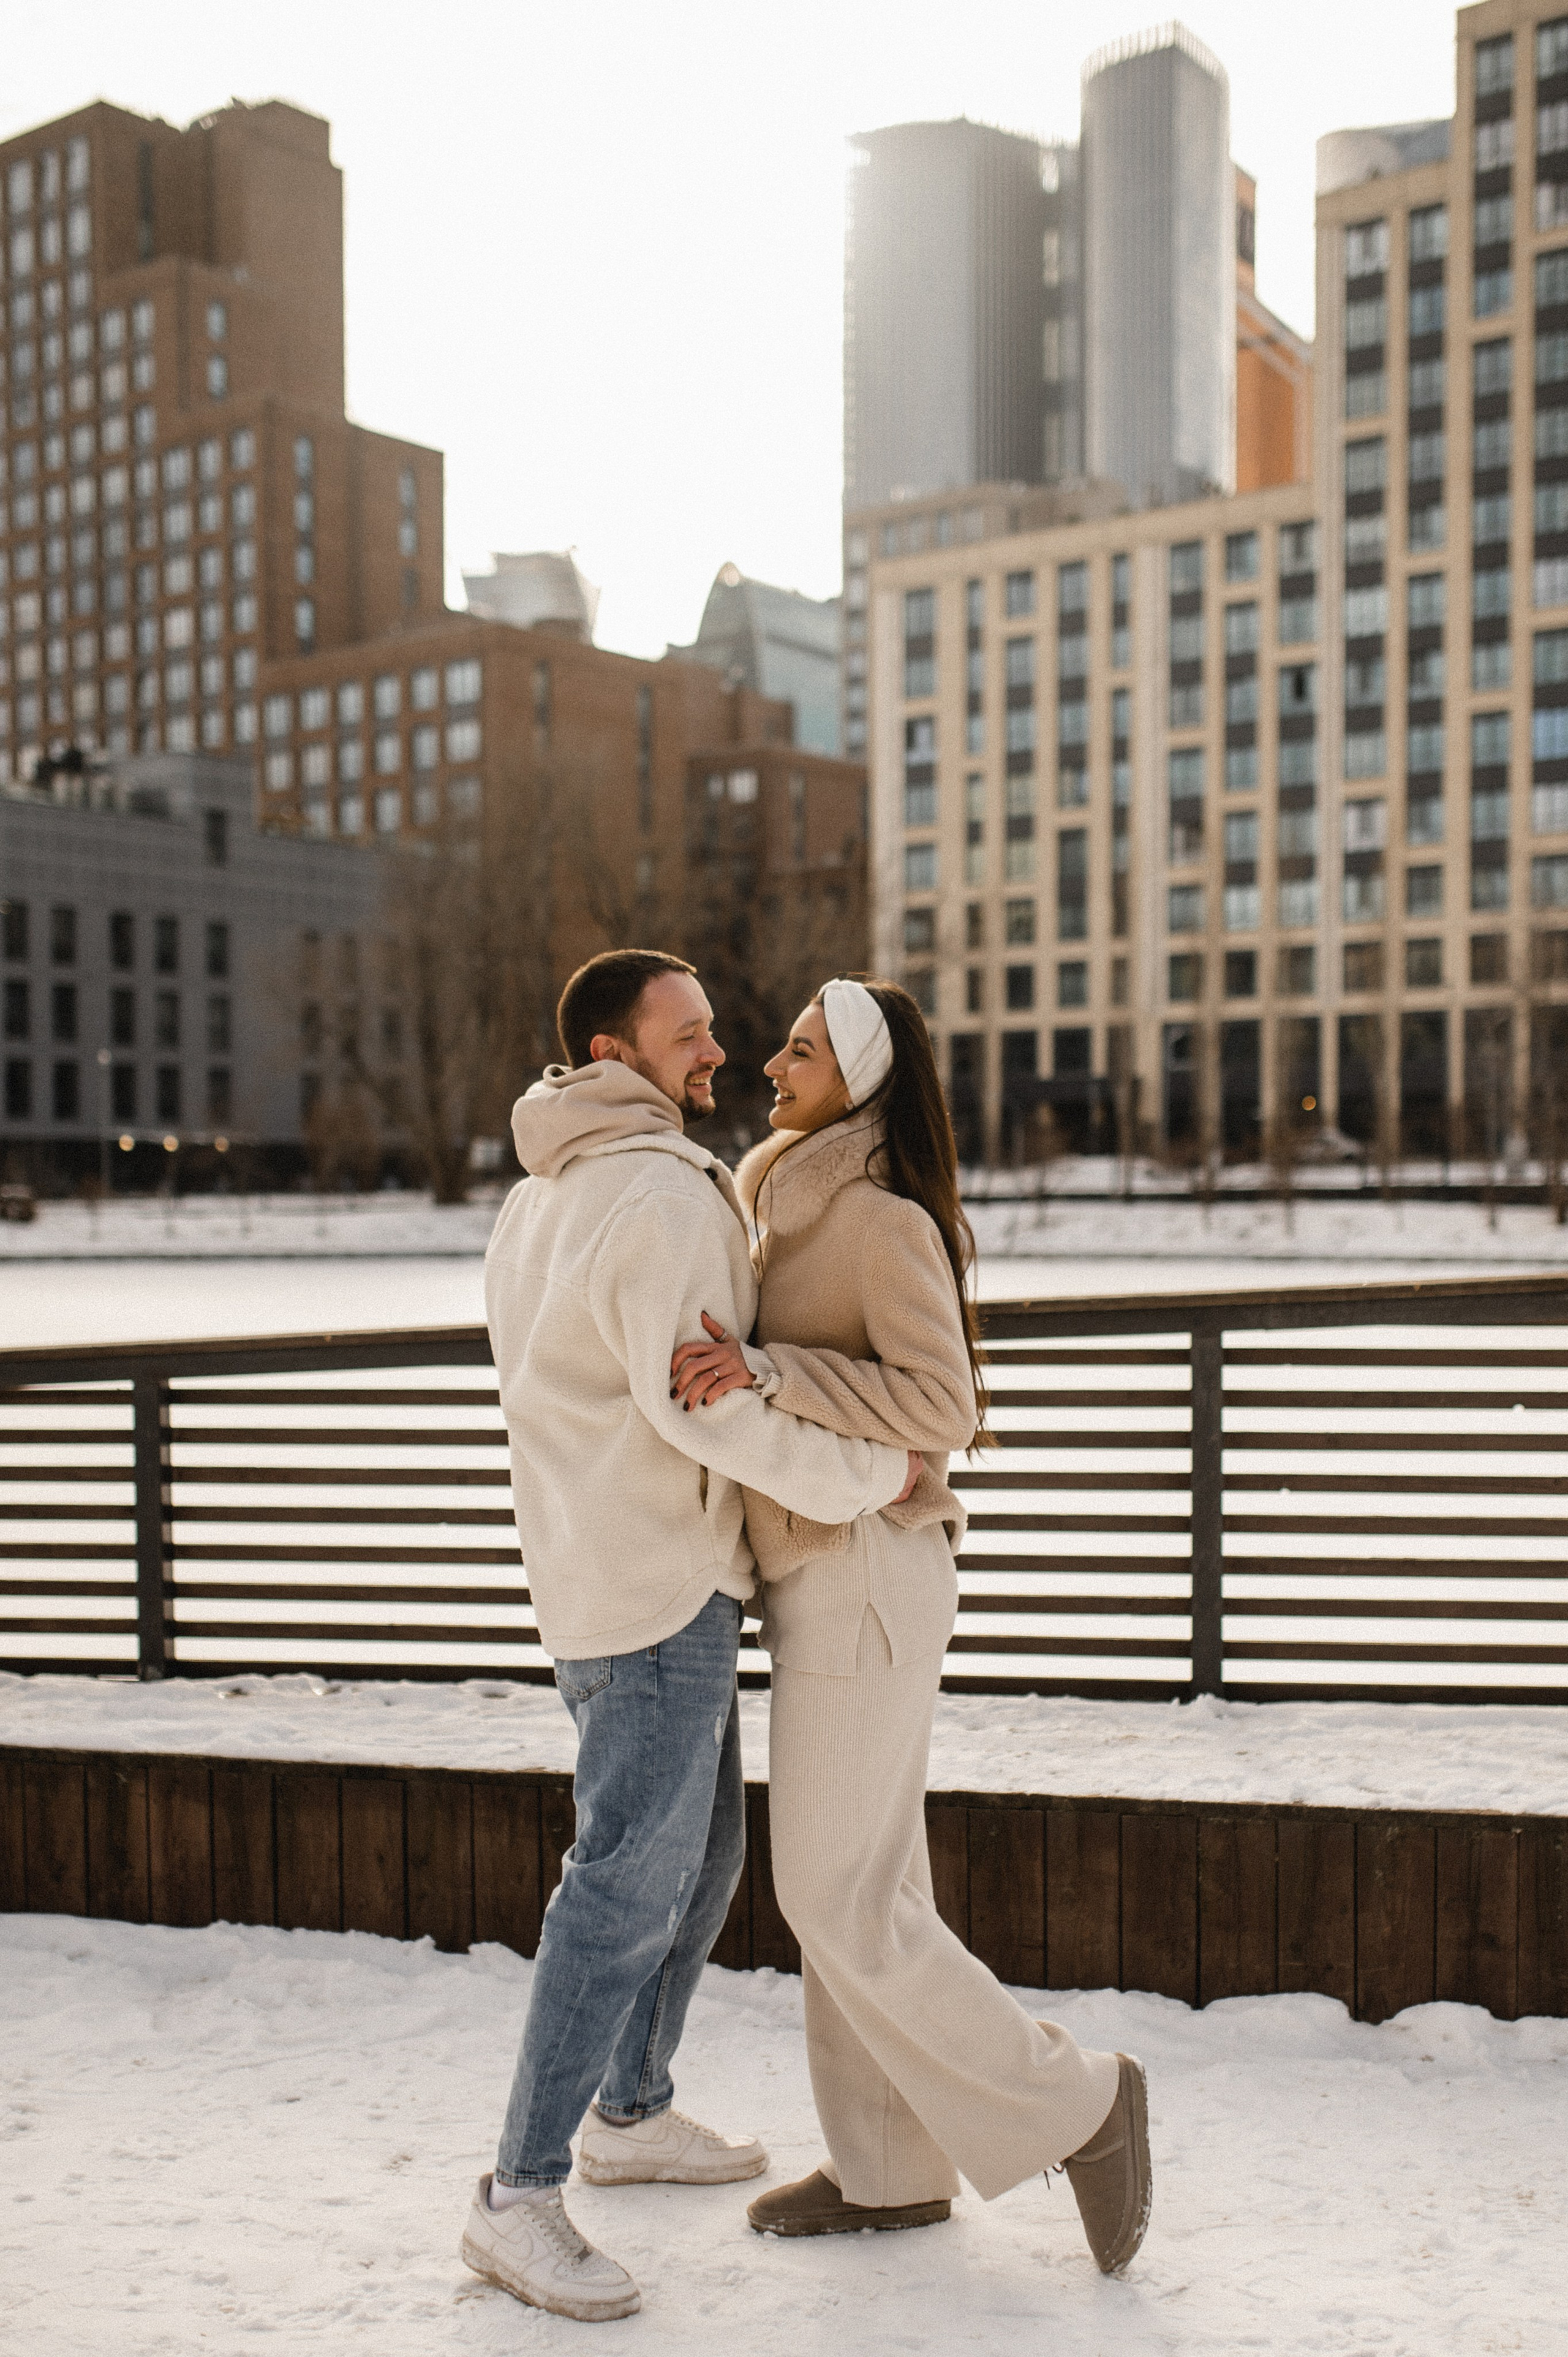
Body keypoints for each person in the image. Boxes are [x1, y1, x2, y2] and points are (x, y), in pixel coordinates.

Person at [460, 949, 918, 2324]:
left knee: (702, 1851)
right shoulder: (653, 1195)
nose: (714, 1055)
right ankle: (517, 2194)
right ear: (611, 1053)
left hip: (606, 1575)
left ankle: (630, 2107)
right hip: (654, 1592)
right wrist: (869, 1477)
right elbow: (698, 1400)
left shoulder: (541, 1196)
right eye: (689, 1036)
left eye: (716, 1032)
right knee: (619, 1882)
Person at [669, 976, 1153, 2276]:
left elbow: (941, 1407)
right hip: (821, 1570)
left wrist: (770, 1371)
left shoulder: (879, 1220)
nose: (773, 1060)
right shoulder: (786, 1200)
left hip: (872, 1572)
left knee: (830, 1889)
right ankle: (887, 2167)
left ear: (862, 1076)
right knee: (864, 1882)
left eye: (803, 1048)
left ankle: (1080, 2102)